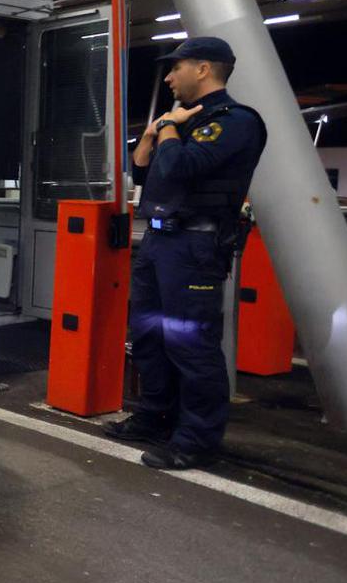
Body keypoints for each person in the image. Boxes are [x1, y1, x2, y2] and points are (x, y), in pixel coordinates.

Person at [107, 36, 266, 470]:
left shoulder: (234, 121)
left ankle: (196, 438)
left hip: (196, 245)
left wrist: (171, 126)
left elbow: (178, 167)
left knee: (190, 344)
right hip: (159, 242)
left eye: (177, 68)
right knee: (149, 336)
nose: (170, 76)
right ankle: (154, 416)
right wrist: (155, 130)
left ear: (204, 69)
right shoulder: (183, 123)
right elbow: (142, 166)